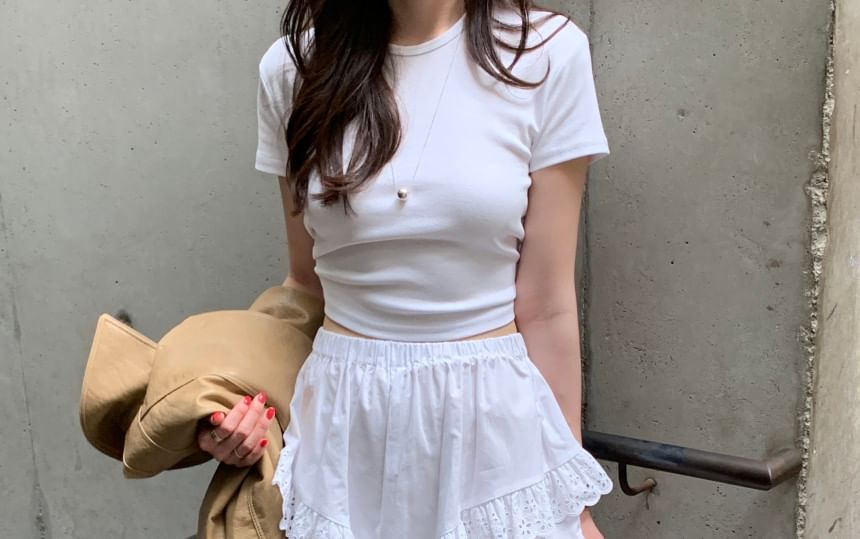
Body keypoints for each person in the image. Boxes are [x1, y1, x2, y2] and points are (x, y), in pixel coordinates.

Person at [198, 1, 614, 537]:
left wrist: (572, 506)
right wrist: (242, 406)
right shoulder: (295, 67)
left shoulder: (545, 53)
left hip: (492, 429)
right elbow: (304, 283)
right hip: (343, 431)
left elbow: (547, 305)